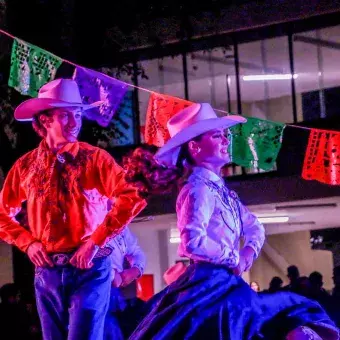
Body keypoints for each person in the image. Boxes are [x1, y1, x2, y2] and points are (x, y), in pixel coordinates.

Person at [123, 103, 339, 339]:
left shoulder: (221, 190)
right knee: (262, 315)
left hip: (225, 282)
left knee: (281, 312)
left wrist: (247, 253)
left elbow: (254, 226)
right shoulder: (197, 189)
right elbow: (193, 241)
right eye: (217, 136)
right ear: (194, 147)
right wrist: (234, 257)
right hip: (208, 283)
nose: (226, 141)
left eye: (224, 135)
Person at [0, 79, 147, 340]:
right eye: (65, 115)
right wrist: (28, 244)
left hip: (90, 267)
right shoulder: (25, 166)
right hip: (47, 269)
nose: (74, 122)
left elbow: (132, 196)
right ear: (45, 121)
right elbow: (2, 214)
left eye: (77, 114)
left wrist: (94, 242)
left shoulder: (95, 159)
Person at [104, 225, 146, 340]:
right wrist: (111, 274)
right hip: (91, 291)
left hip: (115, 294)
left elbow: (136, 252)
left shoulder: (120, 225)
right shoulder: (88, 215)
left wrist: (135, 270)